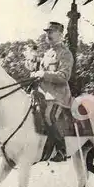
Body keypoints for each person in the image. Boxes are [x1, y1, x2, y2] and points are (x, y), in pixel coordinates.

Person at [30, 22, 73, 162]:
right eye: (47, 32)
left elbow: (64, 76)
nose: (48, 34)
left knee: (49, 115)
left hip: (58, 96)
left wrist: (43, 74)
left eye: (51, 32)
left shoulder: (65, 53)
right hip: (42, 94)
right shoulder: (47, 53)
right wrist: (35, 74)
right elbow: (41, 72)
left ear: (60, 35)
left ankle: (62, 149)